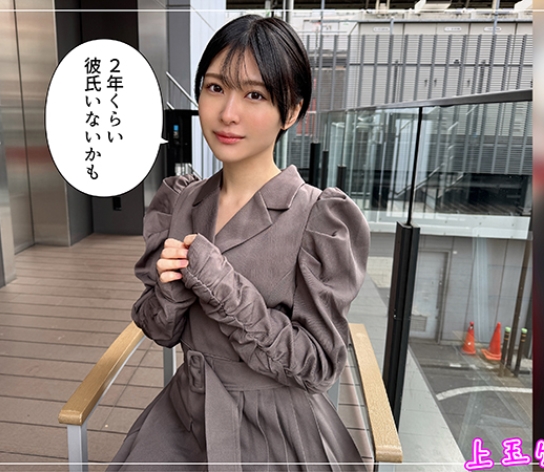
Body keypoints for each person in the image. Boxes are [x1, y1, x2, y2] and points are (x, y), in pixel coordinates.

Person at [110, 14, 371, 471]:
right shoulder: (179, 200)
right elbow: (159, 331)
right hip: (186, 414)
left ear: (292, 111)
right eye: (215, 88)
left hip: (275, 428)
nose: (228, 113)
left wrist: (223, 288)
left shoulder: (318, 218)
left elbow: (317, 367)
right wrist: (170, 292)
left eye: (255, 95)